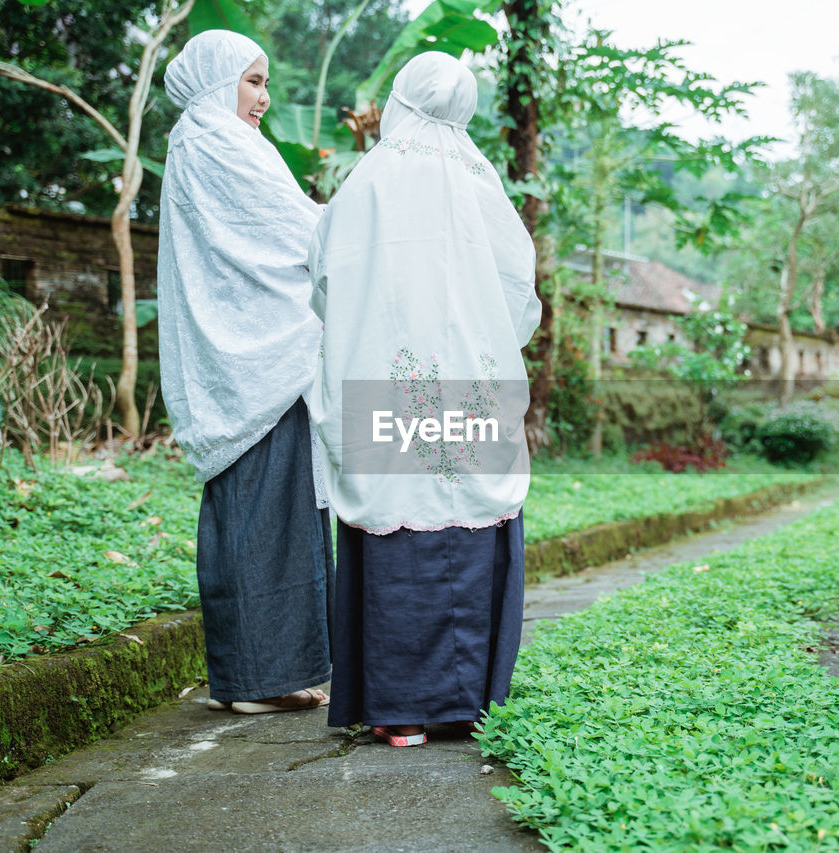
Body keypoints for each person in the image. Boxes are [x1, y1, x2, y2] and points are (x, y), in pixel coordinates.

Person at [307, 52, 541, 747]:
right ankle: (470, 703)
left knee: (398, 520)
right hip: (472, 388)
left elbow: (326, 278)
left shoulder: (369, 180)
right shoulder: (481, 179)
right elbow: (518, 290)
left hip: (389, 382)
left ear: (402, 98)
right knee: (468, 517)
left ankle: (400, 708)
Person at [158, 29, 333, 714]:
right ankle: (257, 678)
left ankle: (275, 672)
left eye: (265, 84)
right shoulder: (215, 141)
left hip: (253, 357)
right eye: (253, 81)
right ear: (217, 77)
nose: (263, 98)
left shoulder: (201, 142)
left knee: (272, 512)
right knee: (261, 513)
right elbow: (294, 234)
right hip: (256, 357)